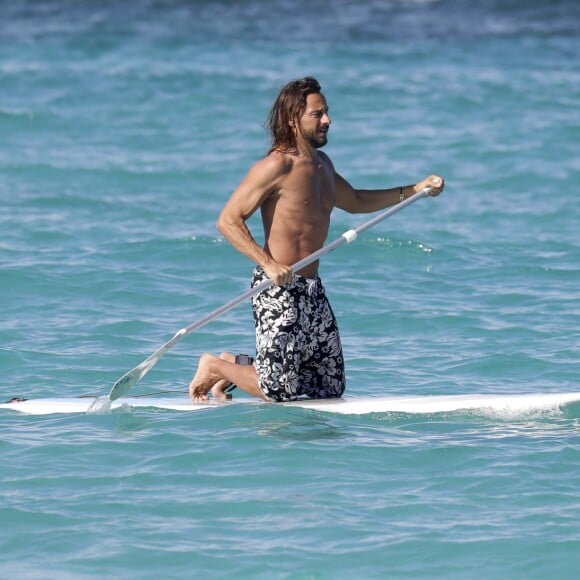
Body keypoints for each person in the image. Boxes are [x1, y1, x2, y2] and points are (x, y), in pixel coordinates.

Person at [189, 76, 444, 403]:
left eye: (327, 112)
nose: (328, 120)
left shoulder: (322, 165)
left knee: (328, 386)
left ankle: (233, 364)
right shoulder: (276, 166)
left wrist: (415, 189)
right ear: (293, 118)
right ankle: (214, 366)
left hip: (311, 288)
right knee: (279, 391)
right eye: (318, 114)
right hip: (276, 287)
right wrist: (267, 264)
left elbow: (356, 201)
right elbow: (227, 221)